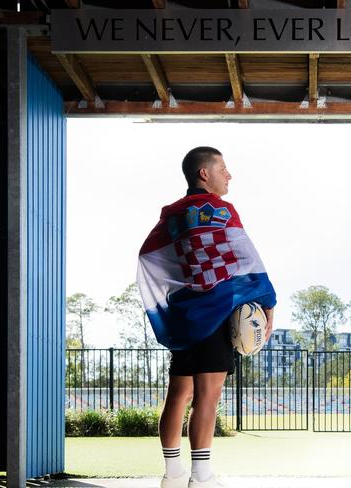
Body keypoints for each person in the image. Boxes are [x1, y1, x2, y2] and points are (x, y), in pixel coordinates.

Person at [136, 147, 276, 488]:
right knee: (207, 395)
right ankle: (201, 476)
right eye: (223, 168)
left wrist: (174, 294)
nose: (229, 175)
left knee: (178, 394)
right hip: (215, 313)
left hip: (185, 315)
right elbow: (246, 260)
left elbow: (149, 257)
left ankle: (172, 474)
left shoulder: (171, 216)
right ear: (204, 174)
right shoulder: (221, 210)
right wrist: (268, 304)